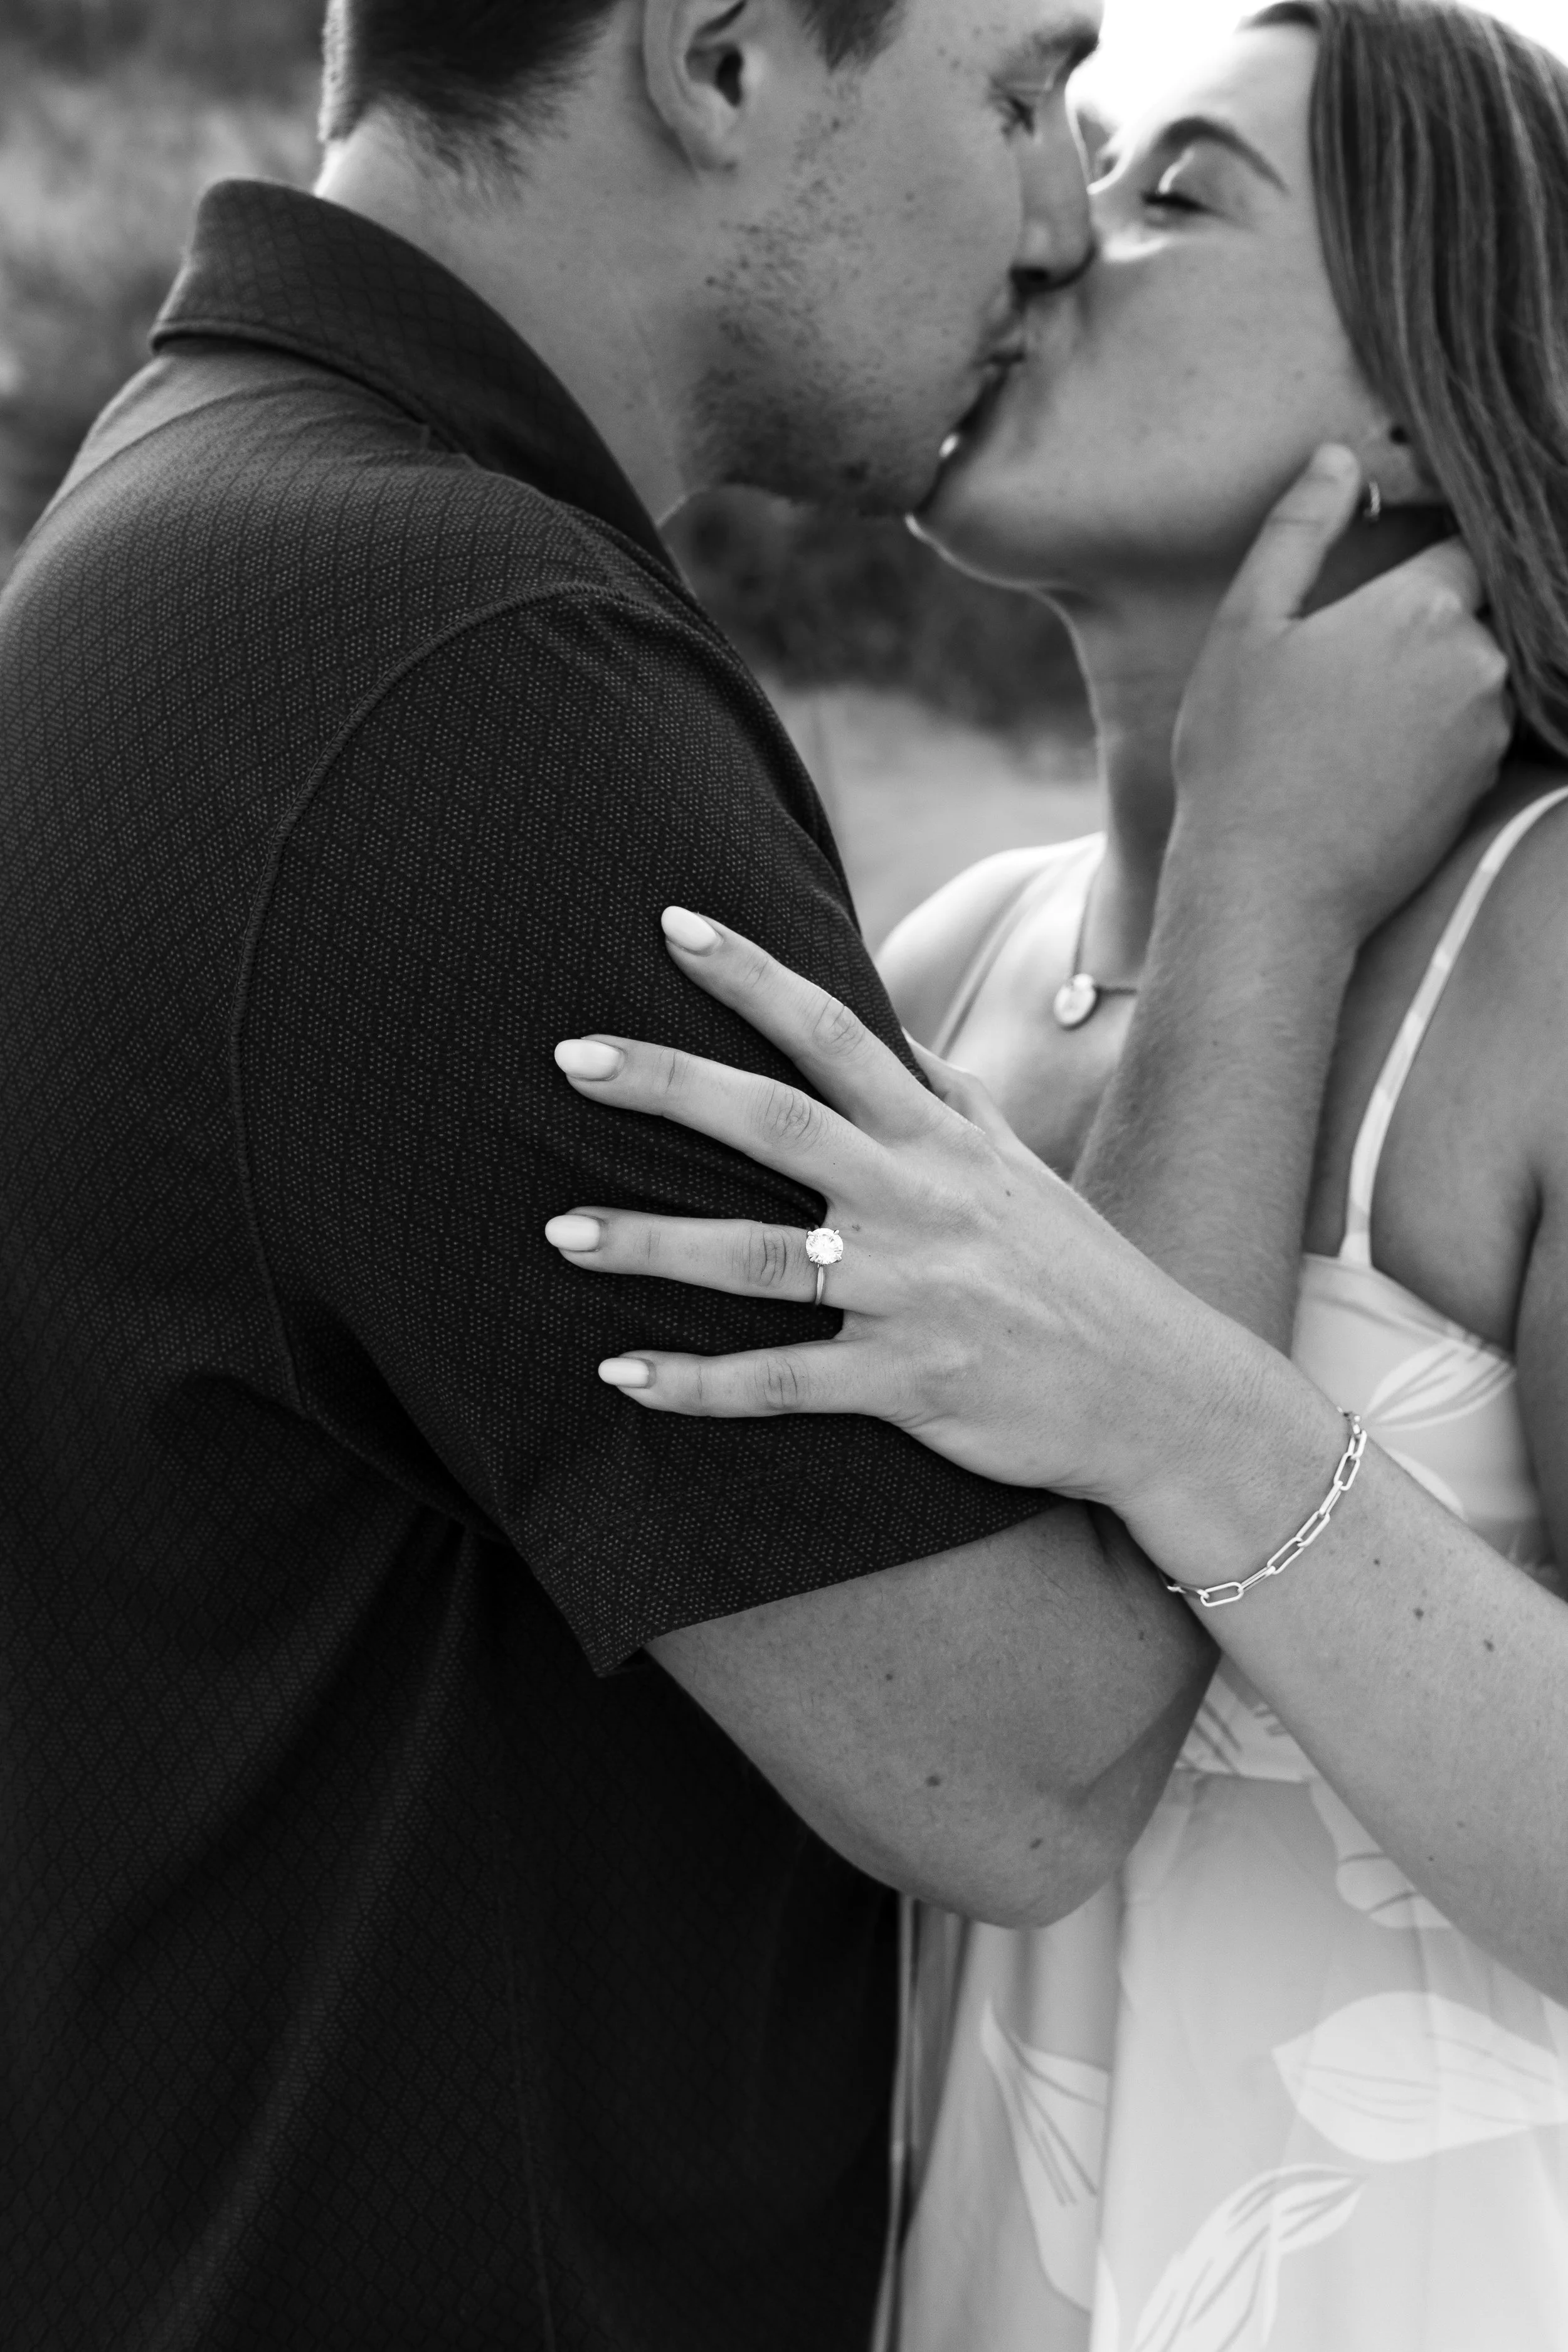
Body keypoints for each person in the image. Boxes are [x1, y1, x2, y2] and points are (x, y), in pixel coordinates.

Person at [0, 0, 1505, 2346]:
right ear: (716, 59)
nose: (1050, 224)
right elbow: (1020, 1761)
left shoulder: (210, 541)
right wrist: (1262, 889)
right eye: (1021, 100)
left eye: (1148, 170)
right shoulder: (469, 690)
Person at [541, 1, 1568, 2344]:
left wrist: (1176, 1410)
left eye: (1174, 189)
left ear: (1425, 392)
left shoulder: (1544, 956)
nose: (1049, 233)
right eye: (1063, 150)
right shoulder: (945, 961)